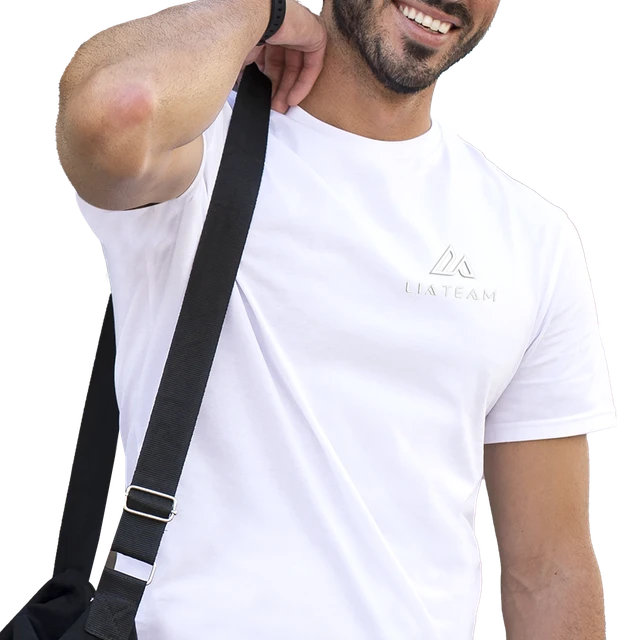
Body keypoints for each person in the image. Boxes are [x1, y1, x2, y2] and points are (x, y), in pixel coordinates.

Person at [54, 1, 616, 638]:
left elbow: (549, 567)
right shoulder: (197, 154)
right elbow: (115, 110)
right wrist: (259, 12)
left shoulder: (531, 239)